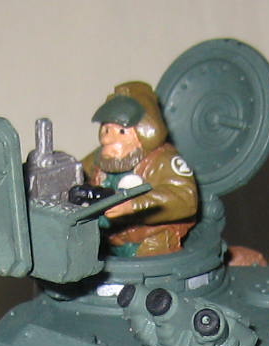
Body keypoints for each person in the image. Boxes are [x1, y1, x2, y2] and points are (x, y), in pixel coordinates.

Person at [79, 82, 199, 258]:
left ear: (144, 132)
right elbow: (76, 173)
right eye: (106, 130)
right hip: (108, 242)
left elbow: (185, 198)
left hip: (151, 245)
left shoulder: (163, 160)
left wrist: (133, 205)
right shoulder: (100, 158)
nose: (107, 139)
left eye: (121, 132)